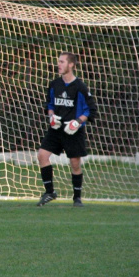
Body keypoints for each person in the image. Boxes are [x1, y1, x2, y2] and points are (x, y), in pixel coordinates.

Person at [37, 52, 97, 207]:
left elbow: (90, 110)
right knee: (42, 155)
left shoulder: (80, 87)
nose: (59, 64)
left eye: (62, 62)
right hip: (56, 129)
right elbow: (49, 105)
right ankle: (49, 192)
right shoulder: (54, 84)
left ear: (71, 65)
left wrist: (77, 122)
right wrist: (51, 117)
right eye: (58, 62)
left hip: (73, 131)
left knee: (75, 163)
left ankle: (77, 198)